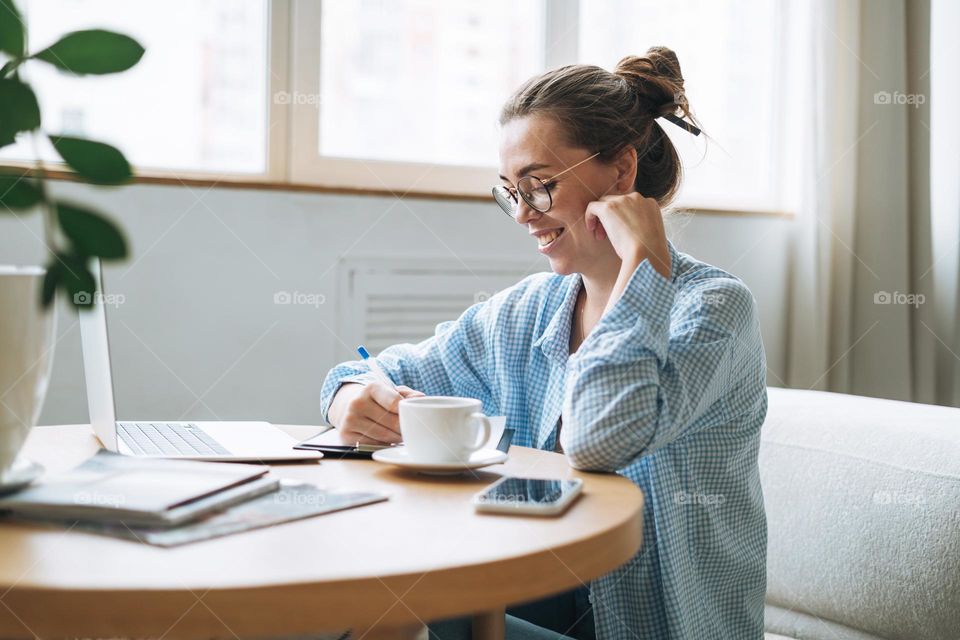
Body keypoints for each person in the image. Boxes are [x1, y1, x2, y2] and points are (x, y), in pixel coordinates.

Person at [320, 46, 768, 640]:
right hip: (534, 600)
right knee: (354, 598)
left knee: (375, 614)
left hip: (645, 627)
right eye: (510, 191)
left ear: (621, 173)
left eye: (538, 186)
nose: (524, 215)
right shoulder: (533, 309)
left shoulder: (712, 310)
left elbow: (599, 438)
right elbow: (375, 370)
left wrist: (644, 266)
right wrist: (352, 396)